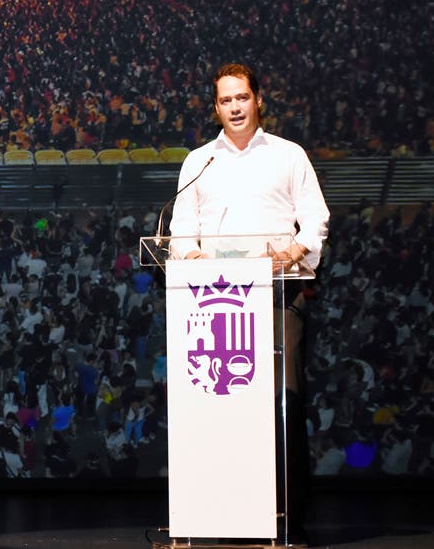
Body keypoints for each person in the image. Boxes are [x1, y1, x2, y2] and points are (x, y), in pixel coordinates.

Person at [169, 62, 329, 545]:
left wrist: (297, 249)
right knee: (222, 405)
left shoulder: (289, 155)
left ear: (259, 99)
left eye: (242, 97)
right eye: (225, 100)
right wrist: (191, 254)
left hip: (277, 292)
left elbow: (315, 217)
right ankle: (221, 514)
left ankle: (287, 519)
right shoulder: (200, 161)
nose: (235, 107)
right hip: (213, 302)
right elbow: (180, 227)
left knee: (283, 405)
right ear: (215, 107)